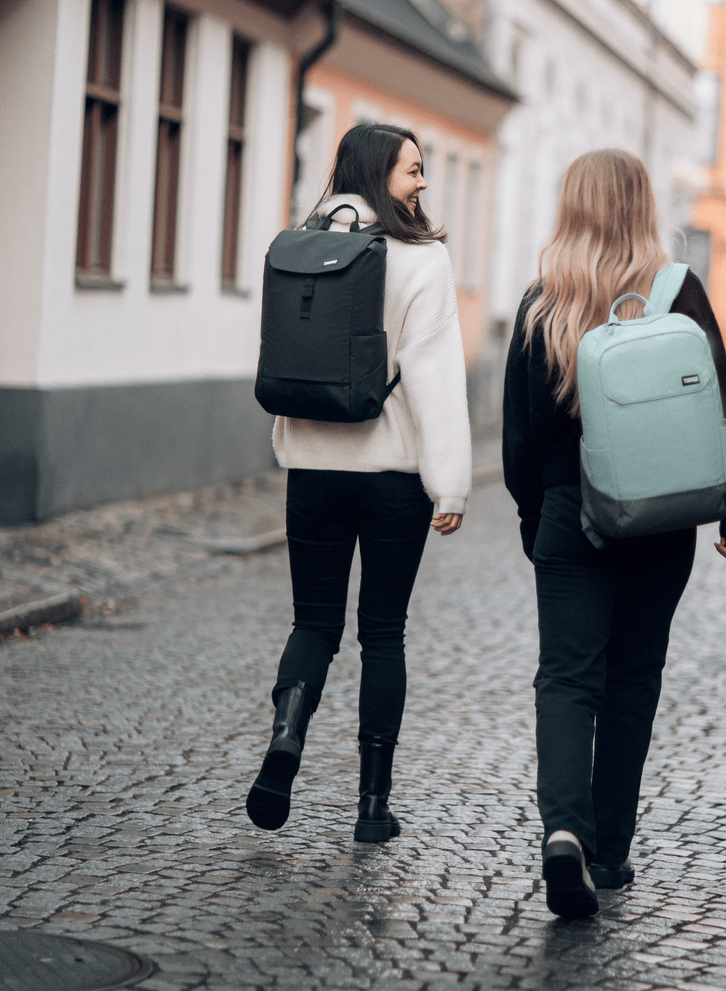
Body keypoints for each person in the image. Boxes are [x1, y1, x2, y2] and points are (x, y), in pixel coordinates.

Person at [502, 149, 726, 917]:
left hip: (566, 518)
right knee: (632, 677)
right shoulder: (680, 292)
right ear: (643, 206)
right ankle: (608, 850)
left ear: (571, 206)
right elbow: (721, 408)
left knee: (565, 677)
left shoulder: (540, 300)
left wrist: (533, 519)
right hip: (659, 517)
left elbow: (518, 438)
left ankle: (562, 833)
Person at [246, 123, 471, 842]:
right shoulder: (421, 259)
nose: (423, 182)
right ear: (379, 173)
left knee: (312, 622)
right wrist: (451, 483)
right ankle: (372, 807)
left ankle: (286, 733)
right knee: (382, 633)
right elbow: (435, 376)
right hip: (392, 476)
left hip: (312, 467)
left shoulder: (297, 245)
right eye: (413, 169)